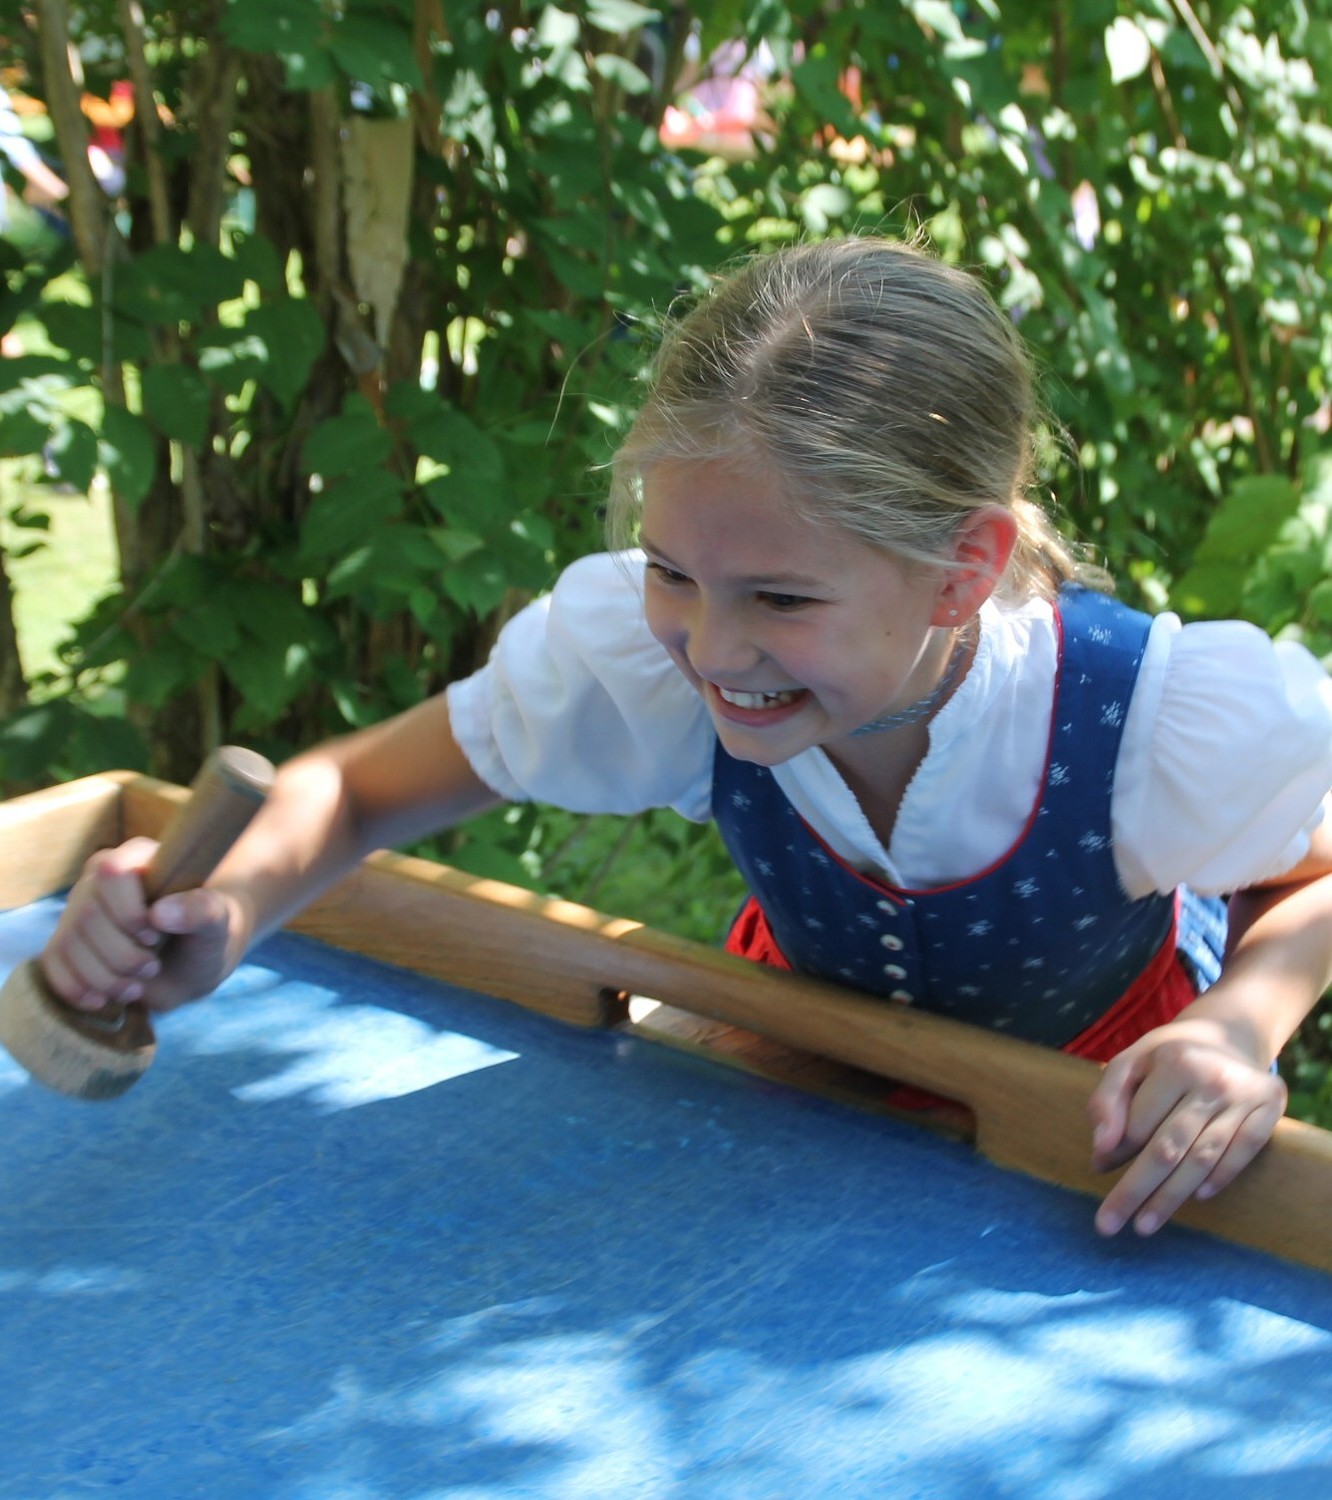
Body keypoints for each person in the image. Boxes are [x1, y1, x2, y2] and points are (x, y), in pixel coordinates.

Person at [39, 236, 1332, 1240]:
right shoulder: (643, 661)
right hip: (798, 1078)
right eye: (671, 573)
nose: (711, 651)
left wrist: (1240, 1023)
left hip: (1093, 1140)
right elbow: (358, 793)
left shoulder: (1146, 721)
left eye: (782, 599)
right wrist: (228, 913)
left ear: (963, 569)